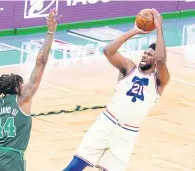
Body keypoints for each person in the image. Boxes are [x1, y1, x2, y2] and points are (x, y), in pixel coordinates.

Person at [63, 8, 170, 171]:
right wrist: (135, 30)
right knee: (75, 166)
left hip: (127, 134)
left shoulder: (159, 80)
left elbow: (162, 60)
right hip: (106, 124)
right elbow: (108, 51)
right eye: (145, 53)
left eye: (149, 55)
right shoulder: (129, 68)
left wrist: (159, 28)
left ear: (155, 61)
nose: (145, 56)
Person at [0, 9, 59, 171]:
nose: (24, 86)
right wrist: (50, 32)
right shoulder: (22, 99)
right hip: (11, 159)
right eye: (21, 84)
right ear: (17, 88)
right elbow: (40, 63)